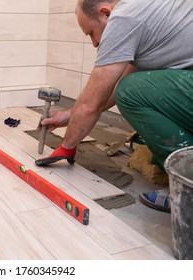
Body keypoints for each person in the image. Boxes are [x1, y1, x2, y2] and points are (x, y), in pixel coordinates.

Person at [35, 0, 193, 212]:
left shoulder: (124, 17)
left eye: (91, 32)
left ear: (105, 14)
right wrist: (69, 115)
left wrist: (67, 147)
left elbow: (97, 100)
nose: (94, 43)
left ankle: (188, 185)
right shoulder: (144, 12)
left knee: (130, 91)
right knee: (131, 88)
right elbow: (113, 88)